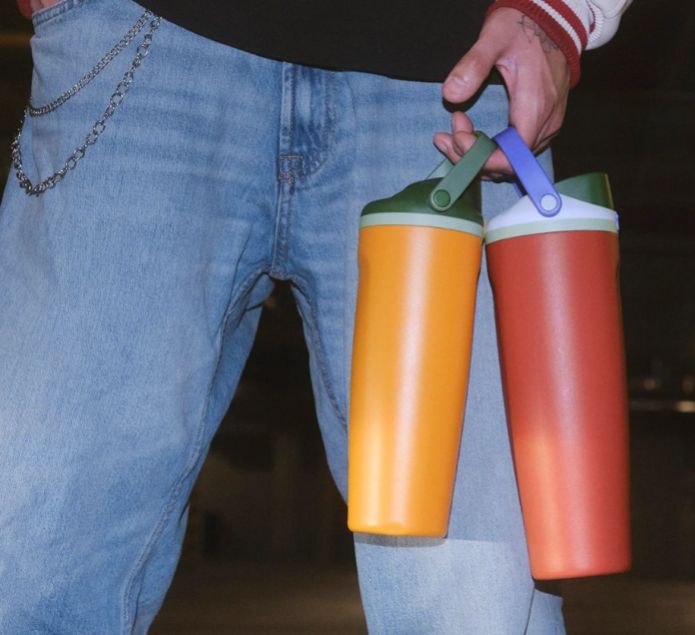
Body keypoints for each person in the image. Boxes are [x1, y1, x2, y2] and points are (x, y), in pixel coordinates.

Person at [0, 0, 630, 632]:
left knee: (475, 604)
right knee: (37, 566)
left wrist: (558, 13)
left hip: (450, 75)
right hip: (147, 41)